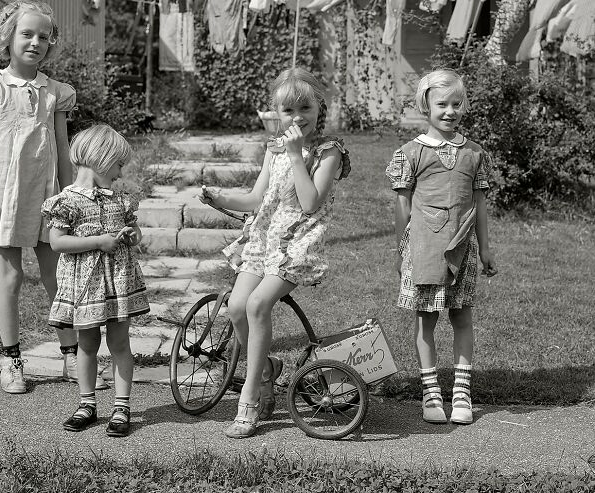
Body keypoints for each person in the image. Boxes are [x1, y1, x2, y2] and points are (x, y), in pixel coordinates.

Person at [199, 67, 351, 439]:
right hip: (265, 239)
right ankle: (267, 366)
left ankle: (250, 393)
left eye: (305, 108)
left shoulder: (328, 151)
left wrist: (298, 156)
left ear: (320, 107)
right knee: (236, 307)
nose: (297, 117)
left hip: (298, 242)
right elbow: (255, 198)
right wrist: (220, 196)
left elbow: (311, 202)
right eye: (288, 111)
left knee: (257, 305)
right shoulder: (274, 148)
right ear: (276, 113)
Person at [0, 0, 108, 394]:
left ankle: (70, 354)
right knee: (11, 277)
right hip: (6, 198)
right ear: (8, 37)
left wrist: (73, 199)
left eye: (43, 36)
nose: (35, 42)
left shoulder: (56, 93)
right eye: (26, 34)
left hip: (49, 198)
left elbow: (63, 151)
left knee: (57, 276)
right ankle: (12, 360)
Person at [385, 69, 497, 426]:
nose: (450, 111)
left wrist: (485, 248)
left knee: (462, 317)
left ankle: (461, 391)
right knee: (426, 319)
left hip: (462, 248)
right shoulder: (410, 153)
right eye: (441, 104)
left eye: (456, 103)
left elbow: (479, 204)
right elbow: (403, 206)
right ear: (425, 106)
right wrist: (401, 249)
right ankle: (431, 391)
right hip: (424, 250)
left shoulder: (474, 153)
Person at [42, 124, 149, 437]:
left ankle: (121, 406)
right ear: (101, 159)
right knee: (87, 344)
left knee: (119, 342)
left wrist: (131, 236)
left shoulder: (120, 201)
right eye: (118, 165)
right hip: (85, 287)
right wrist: (99, 242)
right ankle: (87, 404)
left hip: (118, 283)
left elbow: (136, 232)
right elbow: (58, 242)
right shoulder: (67, 202)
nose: (119, 173)